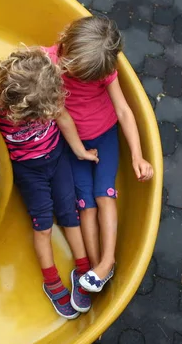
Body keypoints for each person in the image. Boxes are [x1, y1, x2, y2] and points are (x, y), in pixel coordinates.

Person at [43, 16, 154, 293]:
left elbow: (124, 111)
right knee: (86, 205)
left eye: (78, 74)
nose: (69, 72)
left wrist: (137, 156)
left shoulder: (103, 69)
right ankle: (96, 270)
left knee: (105, 195)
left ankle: (108, 261)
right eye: (69, 67)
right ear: (65, 40)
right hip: (73, 143)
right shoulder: (48, 59)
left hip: (104, 136)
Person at [0, 46, 99, 319]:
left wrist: (80, 151)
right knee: (43, 226)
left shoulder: (44, 86)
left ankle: (83, 269)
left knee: (69, 215)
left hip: (57, 157)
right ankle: (52, 282)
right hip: (28, 171)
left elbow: (63, 117)